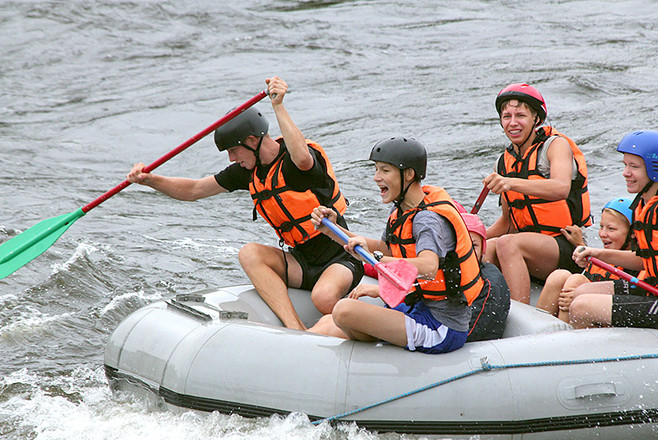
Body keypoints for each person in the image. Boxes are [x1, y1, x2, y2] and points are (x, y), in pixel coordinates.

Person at [126, 76, 363, 330]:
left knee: (323, 297)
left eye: (233, 150)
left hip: (340, 257)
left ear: (252, 141)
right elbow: (194, 190)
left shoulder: (296, 163)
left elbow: (303, 158)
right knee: (249, 253)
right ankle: (295, 327)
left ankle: (364, 317)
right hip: (302, 262)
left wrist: (278, 105)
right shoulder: (246, 171)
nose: (231, 158)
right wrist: (150, 180)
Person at [308, 137, 484, 354]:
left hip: (441, 326)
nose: (376, 177)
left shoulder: (427, 219)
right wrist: (333, 230)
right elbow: (385, 249)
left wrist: (378, 260)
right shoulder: (400, 213)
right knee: (338, 318)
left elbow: (428, 266)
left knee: (343, 310)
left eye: (385, 170)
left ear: (409, 175)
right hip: (415, 307)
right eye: (376, 170)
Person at [483, 83, 592, 304]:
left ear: (536, 119)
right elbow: (507, 222)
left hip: (565, 246)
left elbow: (560, 188)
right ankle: (487, 309)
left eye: (520, 115)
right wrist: (471, 238)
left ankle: (520, 312)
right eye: (506, 116)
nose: (512, 123)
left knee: (507, 243)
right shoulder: (503, 163)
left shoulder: (555, 146)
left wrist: (510, 183)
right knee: (489, 247)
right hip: (529, 249)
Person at [570, 131, 658, 330]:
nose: (625, 173)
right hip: (651, 287)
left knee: (581, 306)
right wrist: (597, 253)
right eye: (625, 165)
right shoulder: (642, 205)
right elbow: (646, 258)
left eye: (634, 167)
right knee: (581, 291)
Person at [536, 197, 634, 322]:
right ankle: (539, 329)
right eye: (601, 226)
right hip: (585, 308)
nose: (602, 234)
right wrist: (579, 244)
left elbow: (632, 297)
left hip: (608, 318)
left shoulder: (638, 264)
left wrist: (581, 295)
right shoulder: (602, 257)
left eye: (611, 229)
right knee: (559, 276)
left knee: (576, 280)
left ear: (632, 233)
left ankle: (564, 336)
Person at [461, 213, 511, 341]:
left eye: (473, 246)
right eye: (462, 245)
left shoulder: (489, 283)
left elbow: (469, 331)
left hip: (478, 347)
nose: (467, 251)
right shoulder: (451, 273)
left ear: (483, 250)